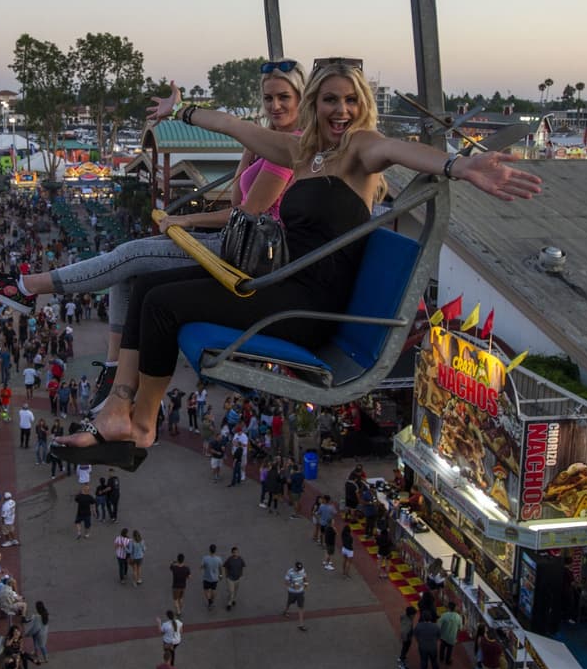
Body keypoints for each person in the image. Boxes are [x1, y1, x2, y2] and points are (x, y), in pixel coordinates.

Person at [53, 61, 541, 468]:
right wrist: (181, 110)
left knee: (162, 304)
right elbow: (233, 126)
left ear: (362, 105)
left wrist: (458, 165)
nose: (341, 109)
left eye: (350, 100)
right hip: (280, 284)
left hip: (308, 307)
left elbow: (400, 150)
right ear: (315, 105)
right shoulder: (300, 153)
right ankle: (119, 406)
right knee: (145, 286)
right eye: (330, 99)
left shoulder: (361, 149)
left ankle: (141, 424)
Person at [0, 62, 309, 365]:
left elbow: (246, 216)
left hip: (253, 254)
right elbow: (237, 201)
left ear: (300, 99)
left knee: (132, 253)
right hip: (237, 240)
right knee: (126, 274)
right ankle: (114, 366)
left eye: (284, 98)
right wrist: (249, 149)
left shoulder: (288, 149)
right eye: (269, 99)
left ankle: (27, 286)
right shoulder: (266, 144)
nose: (275, 106)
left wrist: (187, 220)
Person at [283, 560, 308, 631]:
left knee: (301, 607)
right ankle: (285, 611)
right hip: (292, 592)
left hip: (300, 592)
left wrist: (306, 584)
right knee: (290, 602)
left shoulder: (302, 570)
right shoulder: (290, 572)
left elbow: (305, 578)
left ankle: (301, 625)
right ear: (295, 567)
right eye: (298, 569)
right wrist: (293, 585)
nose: (299, 570)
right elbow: (286, 582)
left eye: (300, 569)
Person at [438, 599, 462, 666]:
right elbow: (460, 628)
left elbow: (438, 625)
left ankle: (441, 658)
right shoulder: (458, 617)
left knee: (442, 648)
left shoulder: (444, 615)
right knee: (450, 650)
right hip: (452, 637)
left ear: (448, 607)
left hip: (443, 636)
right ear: (454, 608)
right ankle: (448, 660)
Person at [222, 545, 246, 611]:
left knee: (235, 591)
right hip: (230, 579)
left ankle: (233, 599)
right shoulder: (229, 560)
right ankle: (229, 604)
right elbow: (225, 566)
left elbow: (243, 566)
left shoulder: (240, 559)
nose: (236, 553)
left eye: (237, 552)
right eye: (234, 552)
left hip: (237, 578)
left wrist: (241, 574)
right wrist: (226, 575)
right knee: (231, 591)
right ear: (232, 553)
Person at [200, 544, 223, 611]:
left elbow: (202, 567)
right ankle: (212, 601)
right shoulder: (218, 559)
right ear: (215, 550)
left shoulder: (205, 558)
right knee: (214, 590)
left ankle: (209, 601)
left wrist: (204, 566)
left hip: (207, 577)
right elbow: (220, 568)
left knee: (206, 590)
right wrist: (221, 575)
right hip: (215, 578)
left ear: (209, 550)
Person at [397, 605, 417, 669]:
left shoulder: (404, 616)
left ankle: (401, 657)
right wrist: (406, 639)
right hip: (407, 638)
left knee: (404, 648)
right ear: (411, 615)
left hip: (405, 637)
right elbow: (404, 631)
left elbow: (401, 619)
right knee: (405, 648)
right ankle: (402, 664)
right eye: (414, 614)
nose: (414, 616)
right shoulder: (408, 623)